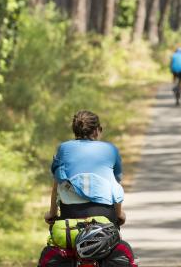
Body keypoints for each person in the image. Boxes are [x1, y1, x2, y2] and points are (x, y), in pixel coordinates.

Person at [38, 110, 136, 267]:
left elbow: (57, 183)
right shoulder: (110, 150)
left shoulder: (63, 149)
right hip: (105, 218)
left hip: (69, 218)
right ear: (97, 130)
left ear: (75, 130)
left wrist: (52, 213)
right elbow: (115, 185)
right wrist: (119, 215)